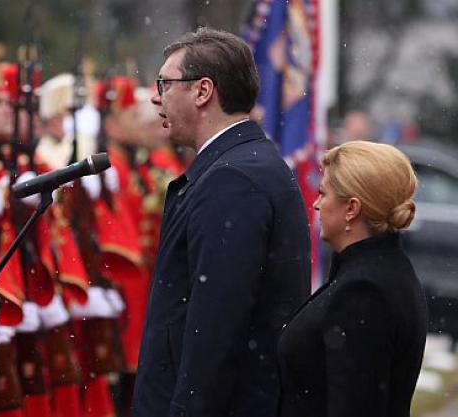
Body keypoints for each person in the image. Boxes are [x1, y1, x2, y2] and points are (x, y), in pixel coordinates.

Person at [133, 28, 311, 417]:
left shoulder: (233, 179)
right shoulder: (242, 165)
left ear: (202, 91)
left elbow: (215, 327)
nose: (155, 96)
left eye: (165, 83)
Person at [277, 141, 427, 417]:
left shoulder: (364, 291)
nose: (316, 203)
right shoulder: (382, 271)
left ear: (352, 208)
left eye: (323, 193)